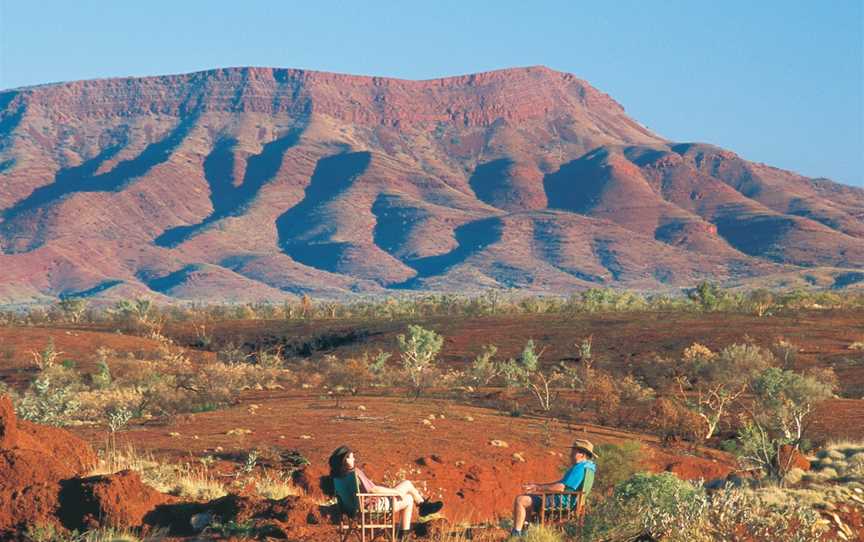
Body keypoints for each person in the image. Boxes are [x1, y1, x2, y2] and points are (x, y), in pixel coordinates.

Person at [324, 445, 444, 540]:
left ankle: (422, 506)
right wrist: (394, 492)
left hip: (352, 510)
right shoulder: (354, 472)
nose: (354, 459)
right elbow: (373, 490)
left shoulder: (337, 477)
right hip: (371, 508)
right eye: (351, 457)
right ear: (345, 460)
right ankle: (413, 522)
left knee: (407, 491)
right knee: (408, 494)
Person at [509, 439, 597, 537]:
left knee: (521, 500)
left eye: (573, 451)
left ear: (582, 454)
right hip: (568, 501)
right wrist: (539, 487)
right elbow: (560, 484)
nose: (570, 454)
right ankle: (525, 532)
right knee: (529, 500)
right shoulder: (589, 467)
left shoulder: (579, 468)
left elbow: (560, 487)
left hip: (561, 501)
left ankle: (516, 534)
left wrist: (538, 488)